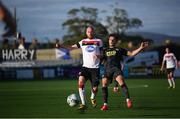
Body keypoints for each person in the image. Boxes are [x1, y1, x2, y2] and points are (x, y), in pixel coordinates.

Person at [100, 34, 148, 110]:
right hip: (107, 70)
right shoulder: (104, 50)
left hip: (116, 69)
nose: (111, 41)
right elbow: (99, 58)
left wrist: (141, 48)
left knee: (121, 81)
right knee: (104, 84)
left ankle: (128, 100)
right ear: (108, 41)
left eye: (113, 39)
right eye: (110, 39)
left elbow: (132, 54)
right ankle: (105, 105)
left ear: (115, 41)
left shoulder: (119, 49)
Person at [72, 26, 103, 110]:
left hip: (95, 68)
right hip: (85, 67)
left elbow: (103, 54)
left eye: (91, 31)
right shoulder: (83, 42)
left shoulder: (99, 41)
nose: (90, 33)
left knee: (95, 88)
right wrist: (61, 46)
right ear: (86, 32)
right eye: (88, 32)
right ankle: (83, 103)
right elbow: (71, 47)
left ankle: (92, 97)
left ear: (93, 32)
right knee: (81, 81)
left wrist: (99, 56)